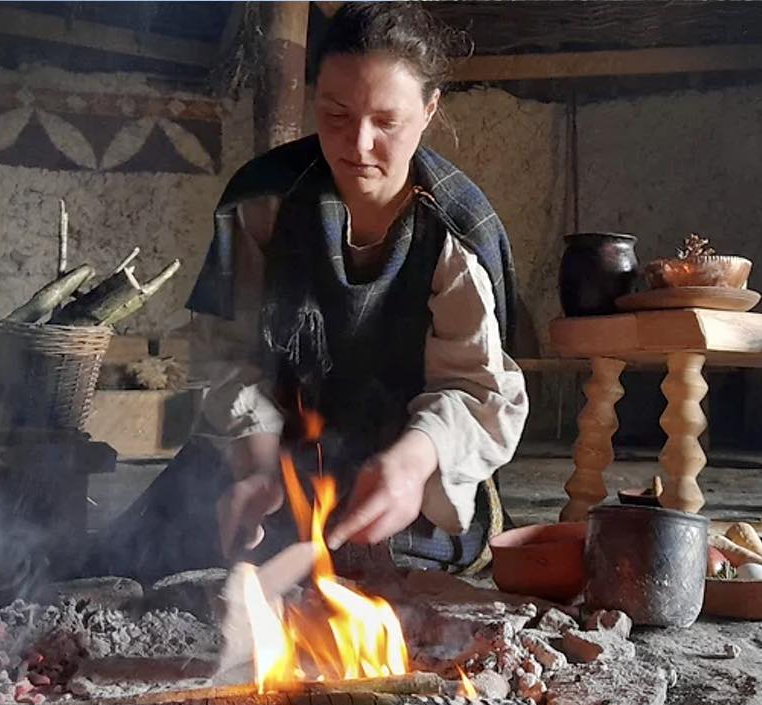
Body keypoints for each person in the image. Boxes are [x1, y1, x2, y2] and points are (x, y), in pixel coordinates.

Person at [87, 2, 528, 582]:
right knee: (144, 554)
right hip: (275, 452)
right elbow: (230, 358)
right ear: (313, 97)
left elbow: (476, 387)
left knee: (377, 572)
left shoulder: (457, 230)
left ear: (429, 110)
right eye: (336, 114)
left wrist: (413, 460)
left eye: (386, 122)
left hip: (403, 468)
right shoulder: (261, 201)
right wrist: (256, 467)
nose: (358, 143)